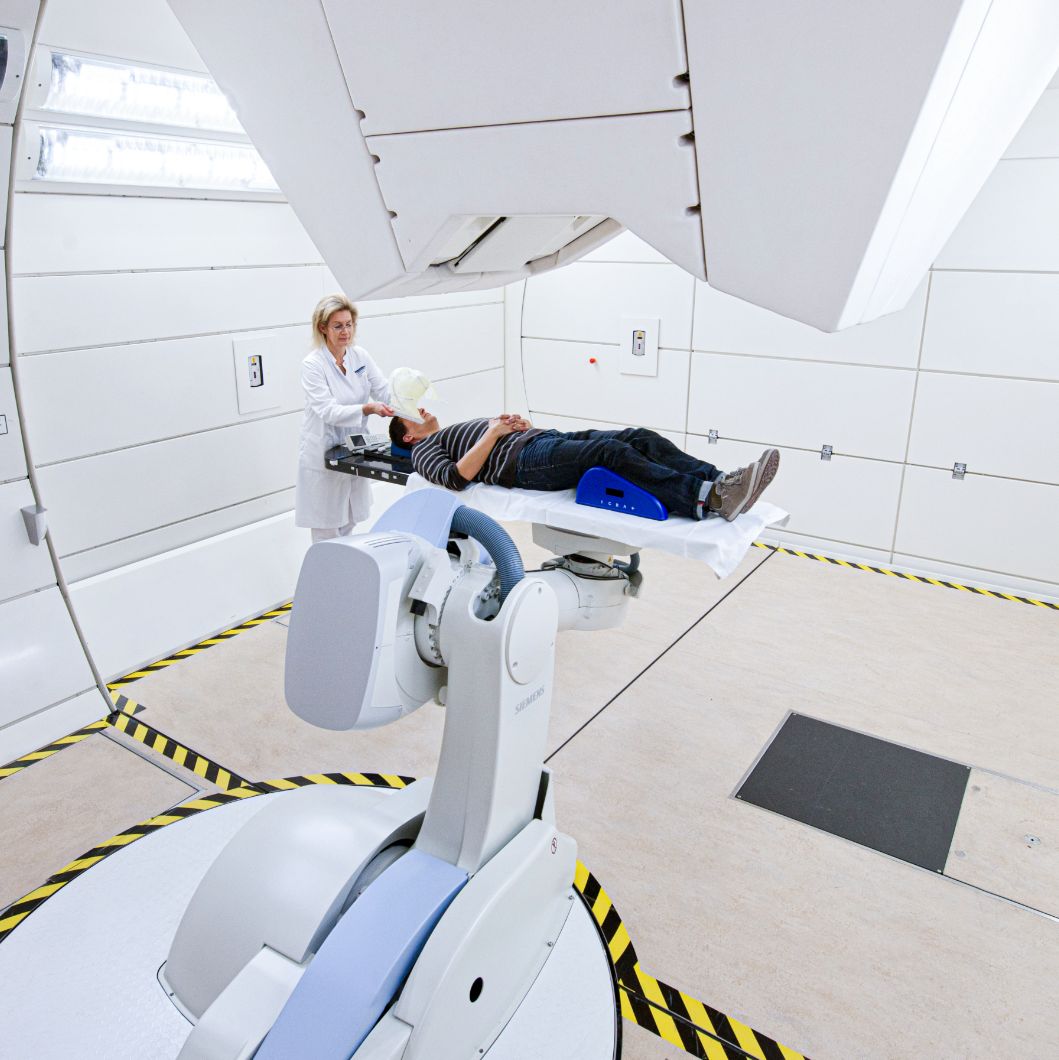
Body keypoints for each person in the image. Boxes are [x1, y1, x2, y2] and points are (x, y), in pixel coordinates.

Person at [389, 410, 779, 522]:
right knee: (609, 452)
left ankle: (720, 480)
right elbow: (457, 479)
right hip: (524, 465)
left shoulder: (443, 433)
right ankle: (710, 499)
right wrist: (492, 434)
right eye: (412, 416)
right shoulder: (425, 453)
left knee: (637, 435)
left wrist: (516, 427)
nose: (422, 411)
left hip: (539, 441)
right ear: (408, 437)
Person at [296, 295, 395, 542]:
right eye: (338, 326)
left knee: (350, 519)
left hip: (354, 448)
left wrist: (407, 402)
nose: (345, 332)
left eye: (349, 324)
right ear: (323, 328)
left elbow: (383, 390)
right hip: (323, 451)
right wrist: (368, 409)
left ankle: (344, 576)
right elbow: (328, 411)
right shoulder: (313, 365)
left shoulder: (359, 356)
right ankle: (323, 579)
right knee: (327, 530)